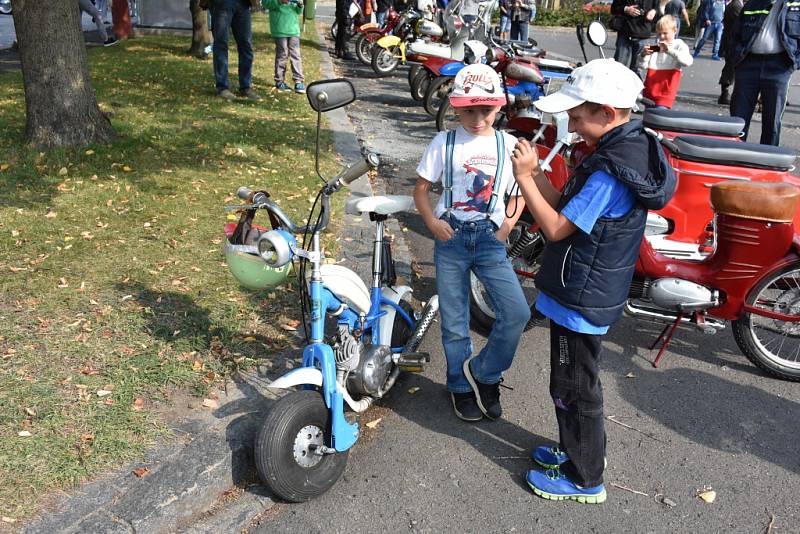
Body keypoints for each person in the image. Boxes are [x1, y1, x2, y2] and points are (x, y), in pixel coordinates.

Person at [509, 58, 676, 503]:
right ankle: (574, 451)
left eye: (577, 115)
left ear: (607, 113)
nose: (570, 122)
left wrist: (525, 179)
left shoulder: (608, 171)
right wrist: (540, 175)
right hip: (585, 289)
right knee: (572, 384)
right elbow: (566, 207)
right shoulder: (621, 151)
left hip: (580, 299)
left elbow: (557, 229)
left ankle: (585, 478)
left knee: (574, 388)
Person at [413, 63, 531, 422]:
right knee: (454, 320)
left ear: (499, 108)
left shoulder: (508, 145)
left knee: (516, 313)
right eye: (469, 110)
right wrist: (432, 222)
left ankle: (483, 373)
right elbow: (421, 189)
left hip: (489, 238)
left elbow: (523, 189)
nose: (477, 118)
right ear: (456, 107)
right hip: (450, 236)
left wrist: (508, 224)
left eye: (486, 110)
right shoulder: (444, 142)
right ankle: (459, 386)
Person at [729, 0, 800, 145]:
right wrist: (735, 57)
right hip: (748, 64)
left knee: (772, 119)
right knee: (738, 117)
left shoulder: (796, 6)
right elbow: (735, 33)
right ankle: (733, 155)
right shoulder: (753, 4)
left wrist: (794, 62)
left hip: (779, 66)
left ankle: (767, 161)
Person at [209, 0, 259, 101]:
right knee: (221, 44)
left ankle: (245, 87)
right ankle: (222, 87)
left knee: (246, 45)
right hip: (221, 3)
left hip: (243, 3)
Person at [639, 15, 693, 108]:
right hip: (650, 90)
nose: (662, 37)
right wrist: (644, 55)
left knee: (659, 115)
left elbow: (687, 62)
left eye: (665, 33)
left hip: (666, 92)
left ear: (675, 31)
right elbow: (642, 66)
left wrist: (668, 50)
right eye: (659, 34)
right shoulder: (655, 47)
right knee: (649, 118)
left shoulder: (679, 45)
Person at [263, 0, 306, 94]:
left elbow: (299, 11)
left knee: (296, 55)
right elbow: (265, 3)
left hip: (293, 30)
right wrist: (279, 1)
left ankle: (298, 81)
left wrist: (300, 5)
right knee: (282, 55)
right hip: (279, 29)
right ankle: (279, 81)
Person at [610, 0, 658, 75]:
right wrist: (626, 9)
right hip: (624, 34)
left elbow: (659, 9)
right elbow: (613, 9)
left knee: (637, 71)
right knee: (619, 68)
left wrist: (654, 11)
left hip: (643, 34)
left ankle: (636, 86)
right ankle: (617, 86)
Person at [717, 0, 742, 104]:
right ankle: (724, 95)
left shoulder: (735, 4)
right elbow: (741, 23)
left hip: (731, 42)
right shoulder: (735, 5)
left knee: (731, 68)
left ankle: (726, 94)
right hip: (732, 43)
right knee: (730, 68)